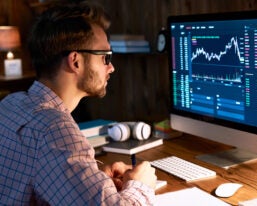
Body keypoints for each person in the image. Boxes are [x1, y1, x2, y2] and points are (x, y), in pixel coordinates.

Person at [0, 1, 157, 205]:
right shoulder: (54, 130)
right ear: (76, 61)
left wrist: (93, 179)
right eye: (105, 57)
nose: (111, 68)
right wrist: (140, 185)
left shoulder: (11, 103)